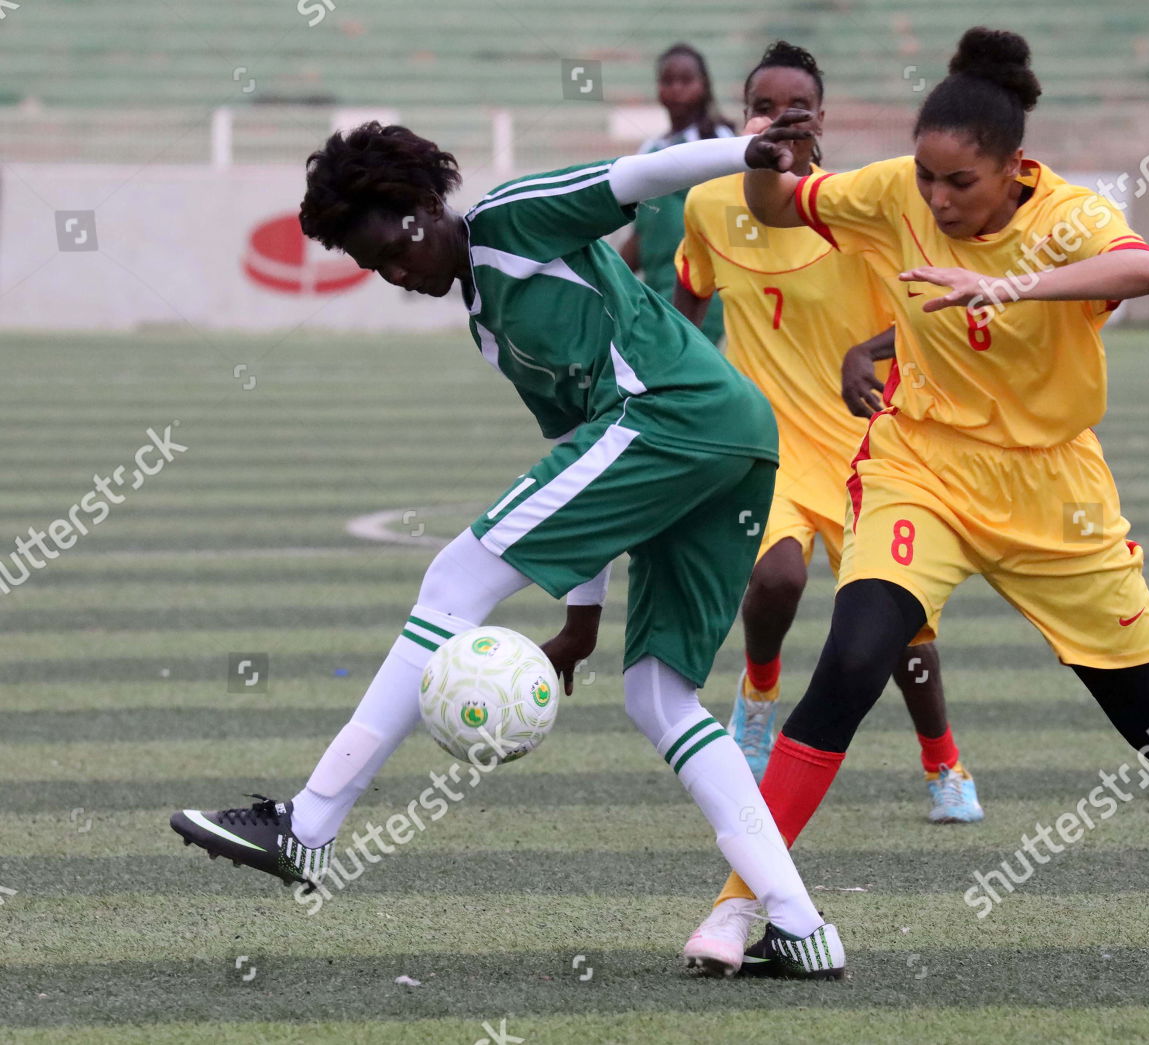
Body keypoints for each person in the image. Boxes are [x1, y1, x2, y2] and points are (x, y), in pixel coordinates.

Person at [687, 27, 1149, 978]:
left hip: (1053, 494)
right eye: (930, 179)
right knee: (852, 663)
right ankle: (740, 906)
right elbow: (783, 203)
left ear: (1015, 168)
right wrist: (765, 154)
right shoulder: (895, 188)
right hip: (923, 469)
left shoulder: (1069, 216)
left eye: (962, 184)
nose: (937, 199)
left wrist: (1008, 283)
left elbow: (1144, 268)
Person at [168, 118, 847, 979]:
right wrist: (583, 616)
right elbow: (576, 451)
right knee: (659, 695)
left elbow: (634, 177)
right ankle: (800, 925)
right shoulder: (488, 325)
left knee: (454, 575)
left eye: (393, 248)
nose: (396, 273)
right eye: (374, 268)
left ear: (421, 207)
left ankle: (310, 823)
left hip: (678, 416)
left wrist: (742, 152)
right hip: (724, 439)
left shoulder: (512, 221)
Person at [672, 41, 982, 829]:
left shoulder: (857, 211)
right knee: (776, 578)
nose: (780, 119)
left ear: (821, 121)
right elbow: (685, 305)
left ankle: (943, 759)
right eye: (765, 106)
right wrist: (665, 390)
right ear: (744, 116)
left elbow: (921, 316)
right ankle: (759, 695)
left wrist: (867, 352)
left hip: (866, 446)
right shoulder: (710, 205)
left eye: (795, 108)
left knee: (902, 630)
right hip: (766, 445)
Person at [618, 42, 736, 345]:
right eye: (667, 81)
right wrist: (611, 271)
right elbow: (642, 231)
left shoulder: (719, 142)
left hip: (703, 297)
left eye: (686, 81)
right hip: (656, 295)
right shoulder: (650, 150)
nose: (676, 90)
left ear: (704, 85)